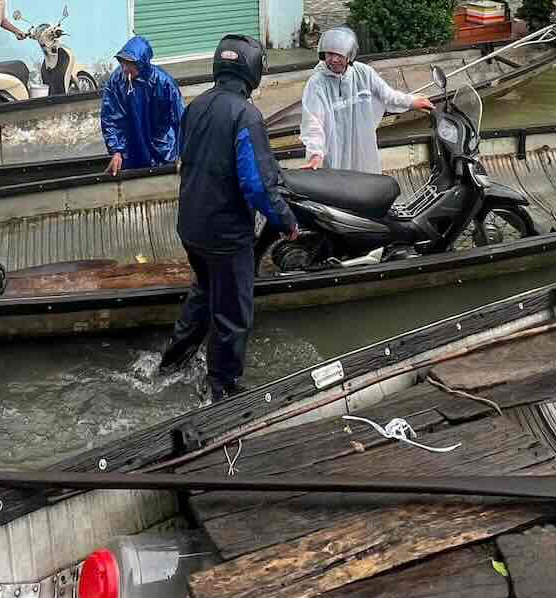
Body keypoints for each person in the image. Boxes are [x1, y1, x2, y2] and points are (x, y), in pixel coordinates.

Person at [158, 34, 298, 402]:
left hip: (191, 226)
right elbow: (256, 183)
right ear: (253, 71)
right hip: (226, 232)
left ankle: (172, 362)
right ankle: (223, 388)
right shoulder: (246, 115)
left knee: (203, 293)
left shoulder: (197, 106)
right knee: (233, 313)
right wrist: (286, 220)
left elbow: (187, 158)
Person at [300, 26, 433, 175]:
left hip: (362, 145)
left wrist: (412, 102)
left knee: (366, 182)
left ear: (350, 56)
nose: (334, 59)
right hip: (334, 150)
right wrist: (315, 153)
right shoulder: (317, 83)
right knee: (339, 187)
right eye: (330, 54)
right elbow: (313, 121)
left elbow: (387, 94)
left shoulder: (363, 73)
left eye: (339, 55)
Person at [100, 36, 185, 176]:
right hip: (133, 147)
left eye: (130, 64)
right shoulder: (117, 81)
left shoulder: (164, 83)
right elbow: (110, 118)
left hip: (163, 148)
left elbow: (180, 119)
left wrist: (182, 153)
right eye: (123, 63)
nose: (125, 68)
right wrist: (116, 151)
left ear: (142, 63)